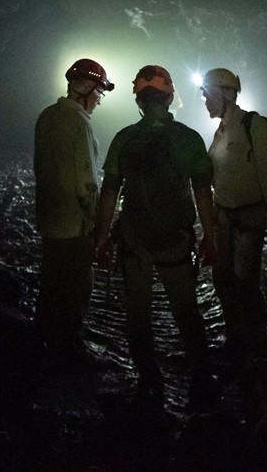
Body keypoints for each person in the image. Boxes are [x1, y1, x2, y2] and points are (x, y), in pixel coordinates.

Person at [93, 65, 219, 405]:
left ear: (138, 99)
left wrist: (101, 236)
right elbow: (203, 190)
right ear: (170, 97)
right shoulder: (188, 138)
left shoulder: (124, 138)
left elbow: (109, 192)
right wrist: (211, 235)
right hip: (173, 240)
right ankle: (202, 379)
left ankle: (149, 380)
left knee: (138, 313)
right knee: (185, 310)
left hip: (134, 241)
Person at [200, 67, 267, 363]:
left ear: (228, 94)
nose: (206, 102)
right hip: (224, 220)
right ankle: (236, 339)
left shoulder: (255, 127)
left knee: (245, 285)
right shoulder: (220, 132)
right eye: (204, 96)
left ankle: (258, 349)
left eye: (210, 95)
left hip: (248, 222)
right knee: (222, 280)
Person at [32, 57, 114, 368]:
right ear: (88, 89)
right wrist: (98, 226)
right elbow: (87, 182)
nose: (99, 100)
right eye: (99, 93)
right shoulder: (79, 123)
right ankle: (69, 347)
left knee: (50, 284)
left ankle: (42, 341)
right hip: (75, 225)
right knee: (77, 287)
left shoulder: (47, 116)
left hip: (50, 221)